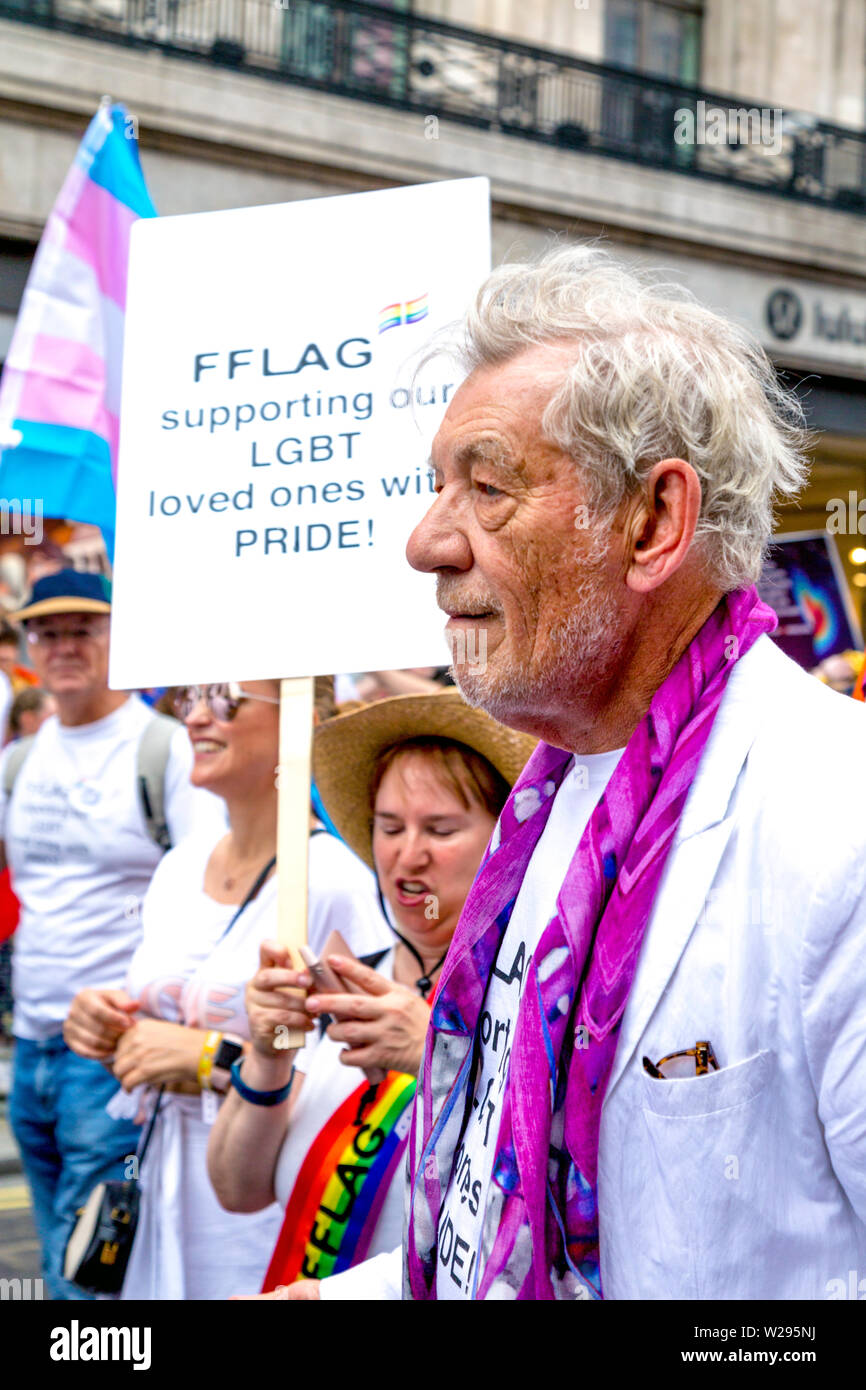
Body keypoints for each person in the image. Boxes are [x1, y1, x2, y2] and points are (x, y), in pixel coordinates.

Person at [288, 243, 866, 1302]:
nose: (424, 543)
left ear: (651, 522)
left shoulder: (837, 828)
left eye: (487, 487)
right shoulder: (548, 802)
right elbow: (504, 1210)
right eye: (434, 489)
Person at [63, 677, 412, 1298]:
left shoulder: (336, 881)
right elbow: (149, 1009)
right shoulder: (179, 865)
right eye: (188, 699)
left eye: (224, 701)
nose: (196, 718)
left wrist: (211, 1059)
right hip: (163, 1180)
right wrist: (99, 1020)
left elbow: (364, 1091)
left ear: (299, 721)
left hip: (263, 1210)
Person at [207, 690, 535, 1295]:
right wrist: (268, 1054)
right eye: (389, 827)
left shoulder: (533, 1006)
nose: (407, 857)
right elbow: (237, 1189)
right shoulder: (346, 982)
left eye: (440, 829)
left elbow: (543, 1213)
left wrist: (438, 1056)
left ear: (505, 840)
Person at [1, 569, 225, 1300]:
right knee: (57, 1252)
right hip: (32, 1042)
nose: (62, 646)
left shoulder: (165, 750)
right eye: (47, 631)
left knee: (87, 1274)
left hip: (109, 1053)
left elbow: (211, 888)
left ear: (116, 640)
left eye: (83, 630)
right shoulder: (20, 762)